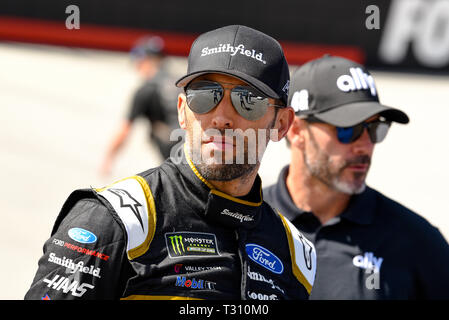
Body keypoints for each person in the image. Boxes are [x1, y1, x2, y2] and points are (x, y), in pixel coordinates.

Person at [25, 25, 316, 300]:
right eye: (205, 95)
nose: (221, 118)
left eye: (247, 100)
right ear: (182, 111)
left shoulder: (297, 254)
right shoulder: (114, 220)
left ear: (281, 124)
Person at [263, 55, 449, 299]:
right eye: (347, 129)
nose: (365, 146)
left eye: (374, 129)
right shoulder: (245, 220)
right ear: (296, 130)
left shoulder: (417, 241)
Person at [100, 36, 182, 177]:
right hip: (197, 148)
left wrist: (108, 158)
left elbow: (125, 130)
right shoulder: (180, 82)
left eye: (137, 62)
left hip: (175, 156)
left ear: (144, 61)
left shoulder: (146, 90)